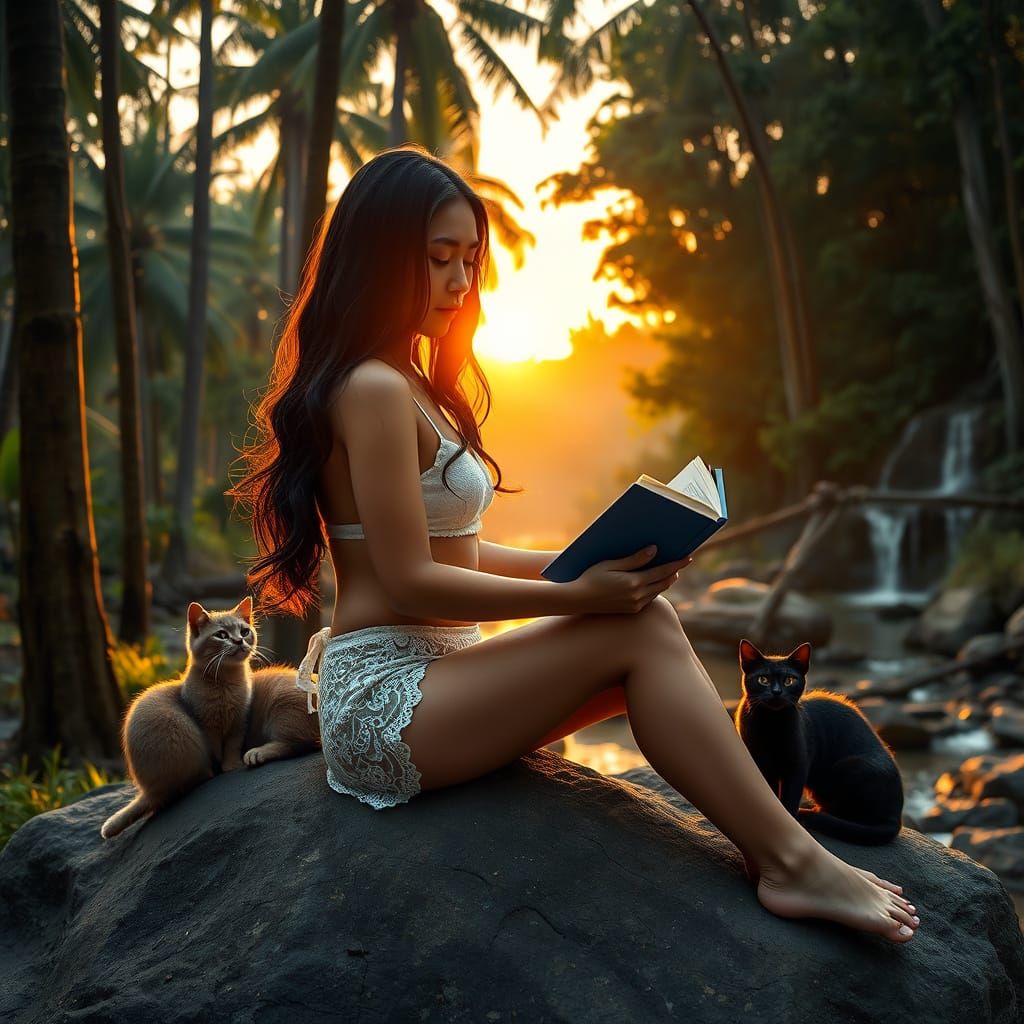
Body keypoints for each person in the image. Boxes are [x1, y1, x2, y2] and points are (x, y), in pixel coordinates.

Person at [230, 145, 920, 944]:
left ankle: (780, 847)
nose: (460, 283)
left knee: (645, 627)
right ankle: (792, 863)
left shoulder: (409, 381)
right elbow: (413, 581)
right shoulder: (375, 389)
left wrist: (588, 565)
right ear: (382, 258)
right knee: (632, 629)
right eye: (438, 259)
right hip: (389, 702)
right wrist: (575, 598)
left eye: (470, 261)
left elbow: (464, 553)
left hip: (443, 679)